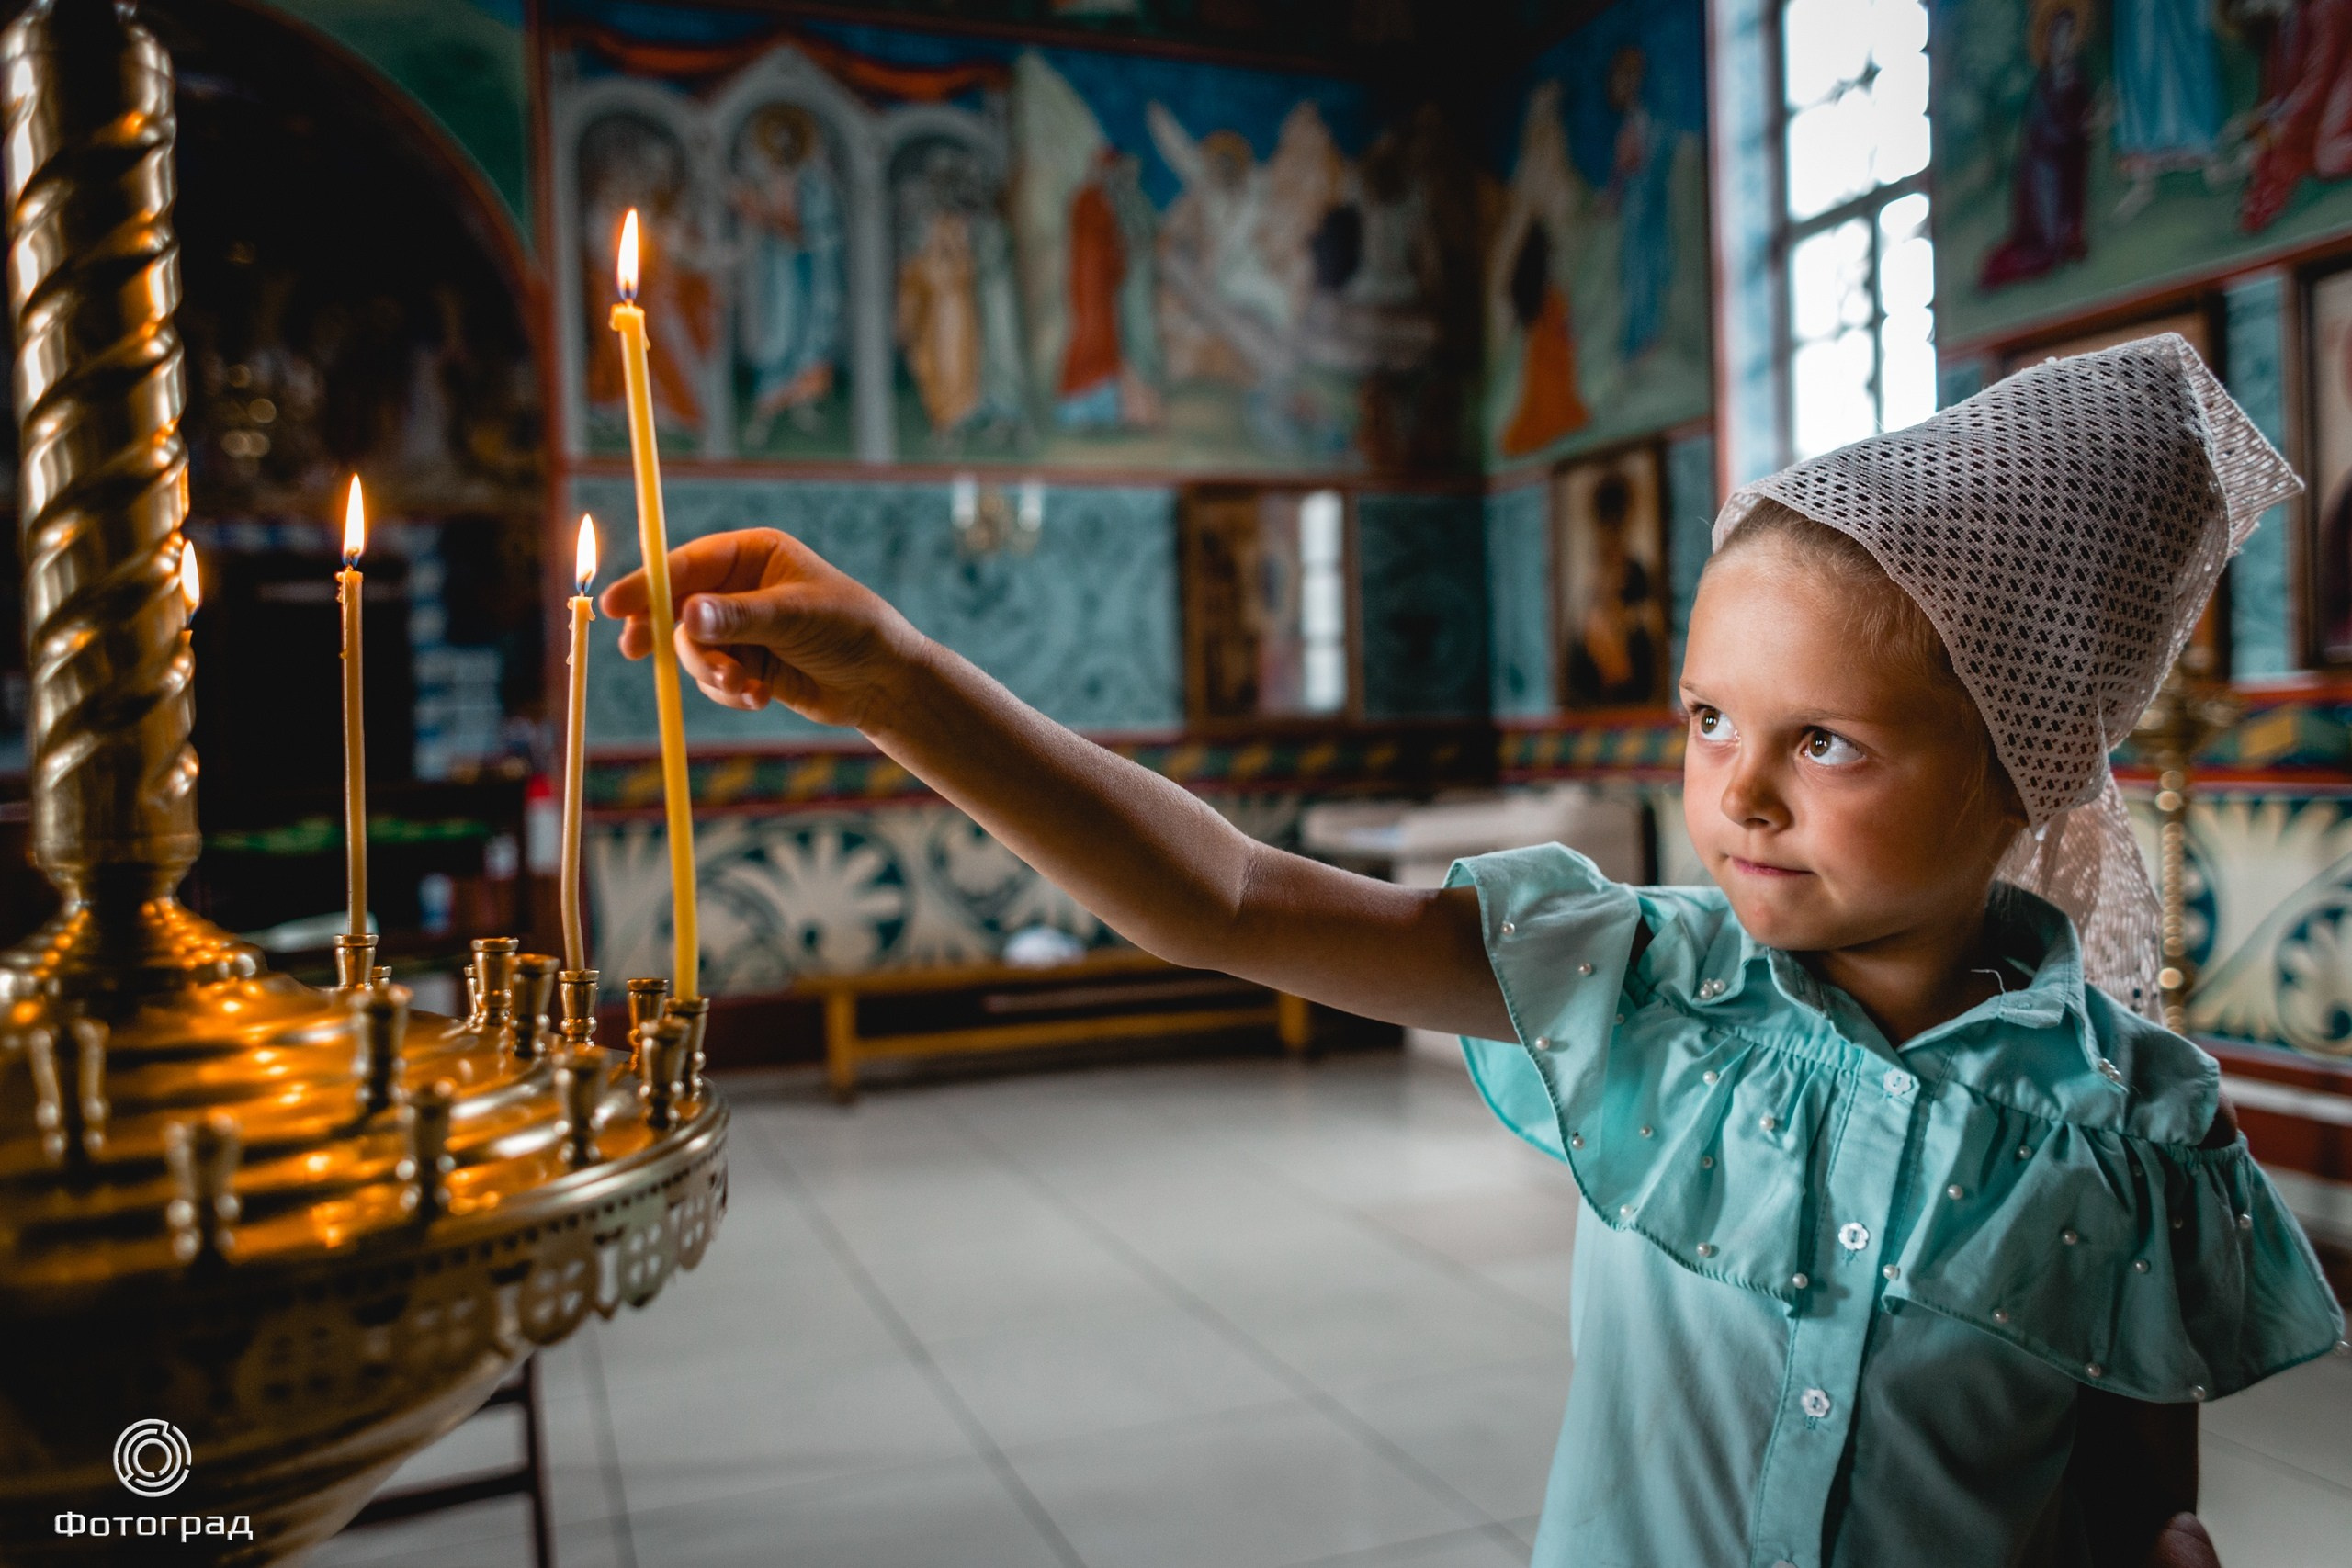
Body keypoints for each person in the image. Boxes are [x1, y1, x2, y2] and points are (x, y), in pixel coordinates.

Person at [603, 335, 2346, 1567]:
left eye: (1826, 743)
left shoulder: (2141, 1134)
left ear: (2018, 771)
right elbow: (1224, 897)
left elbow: (2147, 1510)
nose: (1733, 788)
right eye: (1708, 715)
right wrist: (905, 680)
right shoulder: (1642, 988)